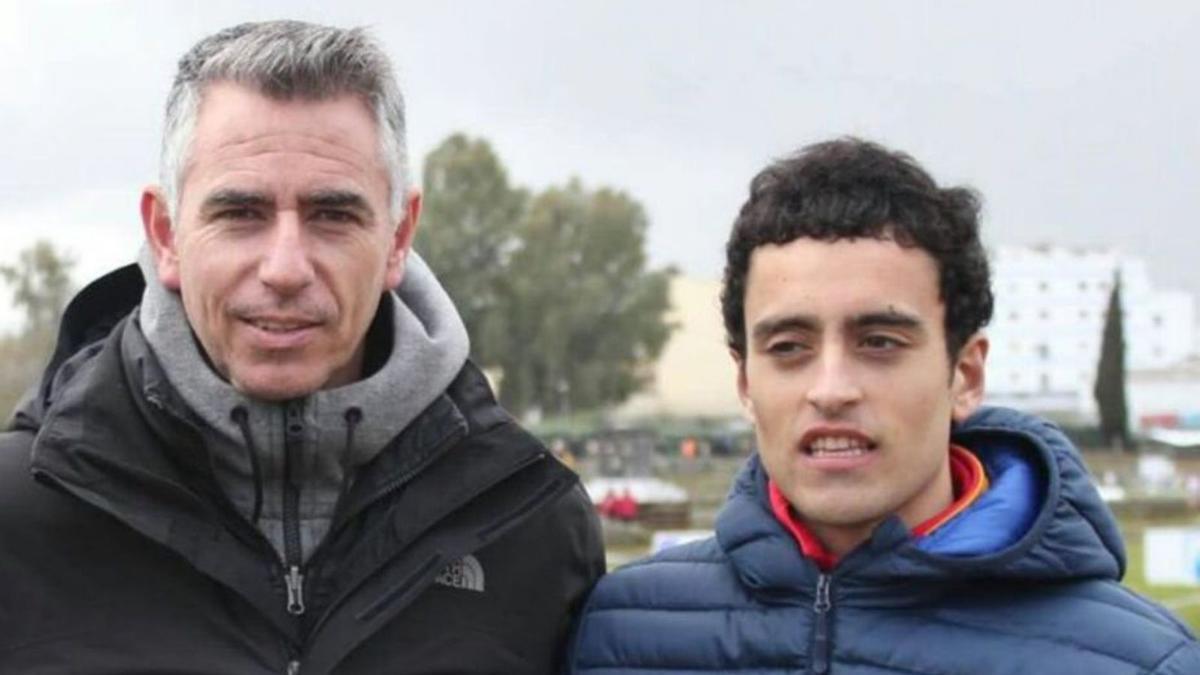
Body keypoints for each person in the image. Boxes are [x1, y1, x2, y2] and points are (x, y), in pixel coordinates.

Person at [0, 20, 603, 674]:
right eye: (240, 214)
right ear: (166, 232)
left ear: (399, 235)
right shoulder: (18, 521)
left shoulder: (530, 525)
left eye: (333, 215)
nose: (285, 267)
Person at [567, 138, 1200, 674]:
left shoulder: (1142, 662)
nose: (832, 387)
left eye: (879, 342)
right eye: (789, 347)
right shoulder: (617, 639)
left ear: (965, 375)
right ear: (745, 383)